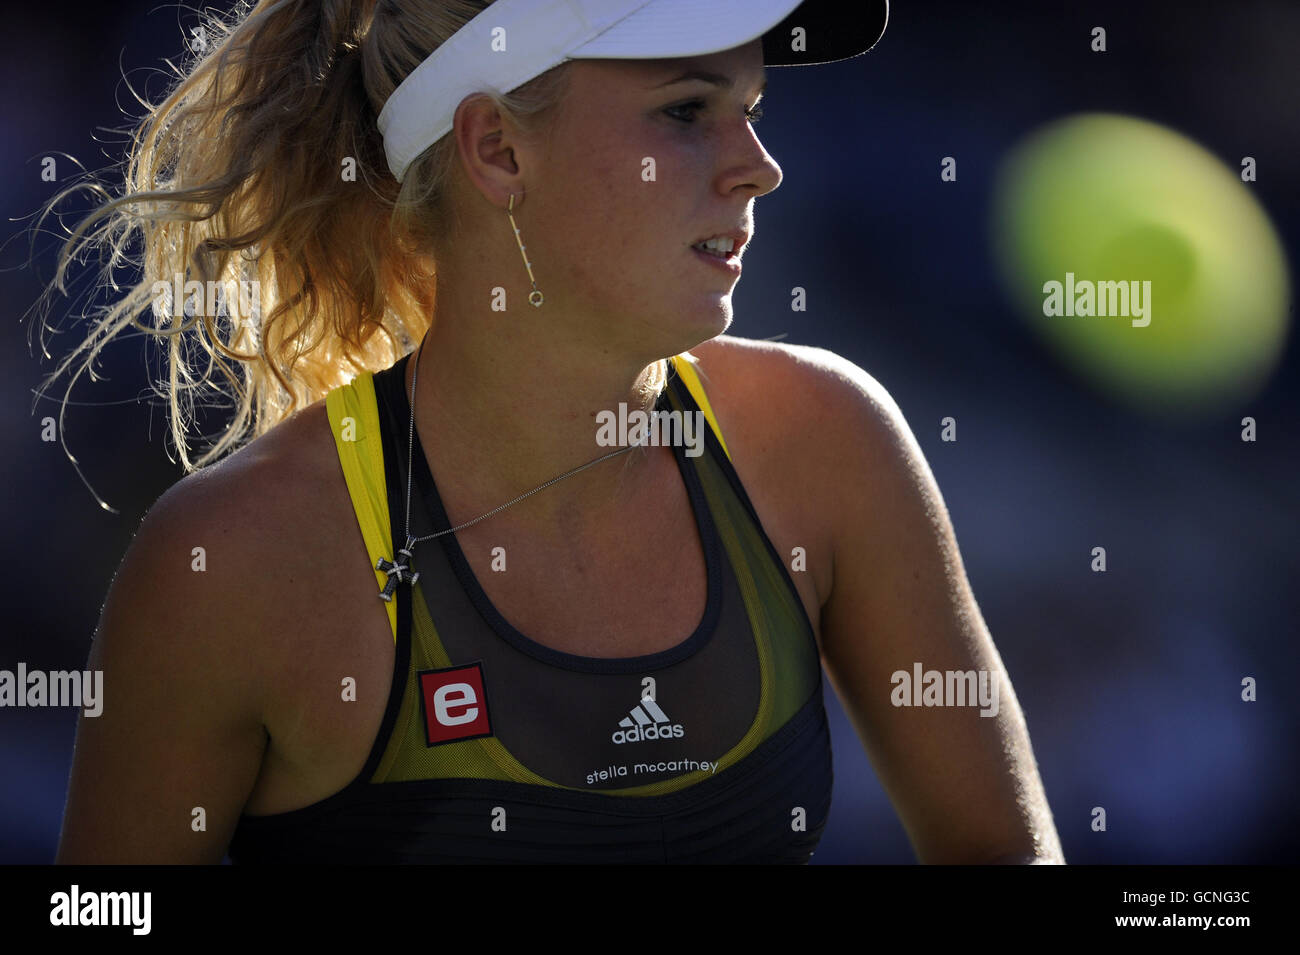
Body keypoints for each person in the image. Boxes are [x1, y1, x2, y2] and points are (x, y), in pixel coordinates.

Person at [49, 0, 1064, 863]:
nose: (760, 168)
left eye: (751, 111)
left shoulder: (830, 440)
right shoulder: (230, 560)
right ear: (497, 149)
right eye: (687, 110)